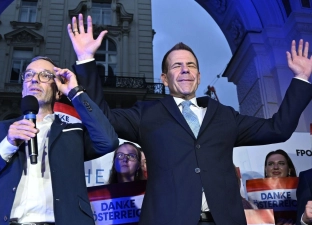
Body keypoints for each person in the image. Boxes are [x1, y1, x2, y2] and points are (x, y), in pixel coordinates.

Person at [68, 14, 312, 225]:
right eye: (177, 66)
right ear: (164, 78)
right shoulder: (147, 114)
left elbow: (278, 128)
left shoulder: (225, 116)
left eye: (191, 65)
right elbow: (103, 117)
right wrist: (87, 61)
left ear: (199, 75)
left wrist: (301, 78)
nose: (185, 69)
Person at [0, 56, 119, 225]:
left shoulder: (73, 132)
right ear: (22, 90)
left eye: (45, 75)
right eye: (29, 75)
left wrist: (75, 92)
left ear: (58, 92)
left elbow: (108, 141)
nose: (34, 79)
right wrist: (7, 145)